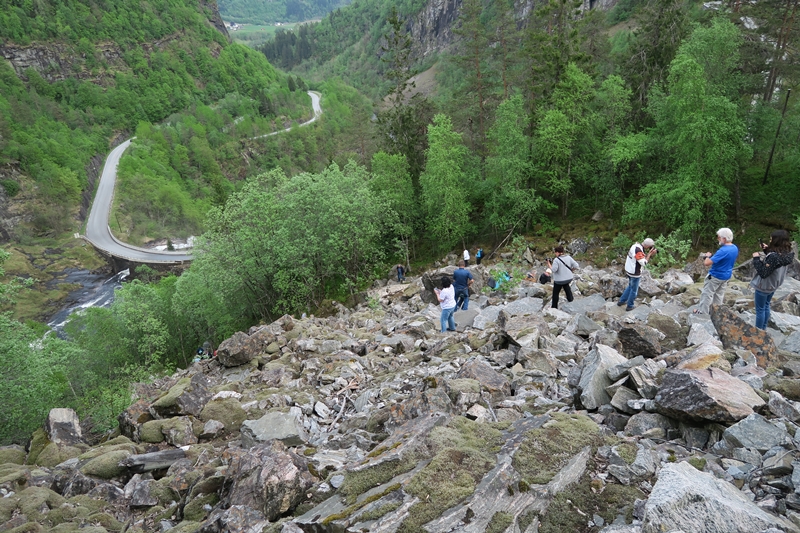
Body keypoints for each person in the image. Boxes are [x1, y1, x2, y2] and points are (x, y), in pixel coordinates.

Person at [750, 230, 794, 330]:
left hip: (763, 286)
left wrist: (756, 259)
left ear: (776, 241)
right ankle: (763, 329)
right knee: (766, 306)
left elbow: (763, 273)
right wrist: (767, 250)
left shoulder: (773, 256)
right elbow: (776, 262)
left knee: (760, 309)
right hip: (774, 285)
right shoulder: (788, 253)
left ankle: (758, 331)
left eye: (771, 239)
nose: (770, 240)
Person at [694, 228, 739, 314]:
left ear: (724, 238)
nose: (718, 239)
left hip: (715, 276)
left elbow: (707, 263)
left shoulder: (723, 250)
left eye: (719, 237)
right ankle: (716, 313)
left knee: (707, 294)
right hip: (726, 276)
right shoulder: (734, 248)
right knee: (719, 295)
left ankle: (702, 313)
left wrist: (707, 256)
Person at [618, 238, 657, 311]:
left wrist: (647, 253)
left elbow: (638, 257)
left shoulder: (635, 246)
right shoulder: (638, 250)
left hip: (629, 270)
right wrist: (649, 254)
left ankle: (621, 301)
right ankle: (630, 305)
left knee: (630, 286)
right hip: (634, 273)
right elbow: (644, 263)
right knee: (634, 290)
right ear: (647, 246)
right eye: (650, 246)